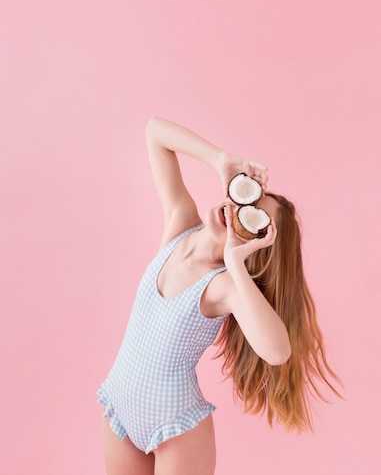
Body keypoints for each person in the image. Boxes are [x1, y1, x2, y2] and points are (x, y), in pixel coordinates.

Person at [97, 116, 341, 475]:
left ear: (258, 245)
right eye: (250, 199)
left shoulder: (224, 284)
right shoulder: (181, 224)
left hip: (175, 426)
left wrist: (234, 262)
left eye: (254, 218)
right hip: (119, 407)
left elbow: (277, 351)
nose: (238, 210)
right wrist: (220, 159)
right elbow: (155, 133)